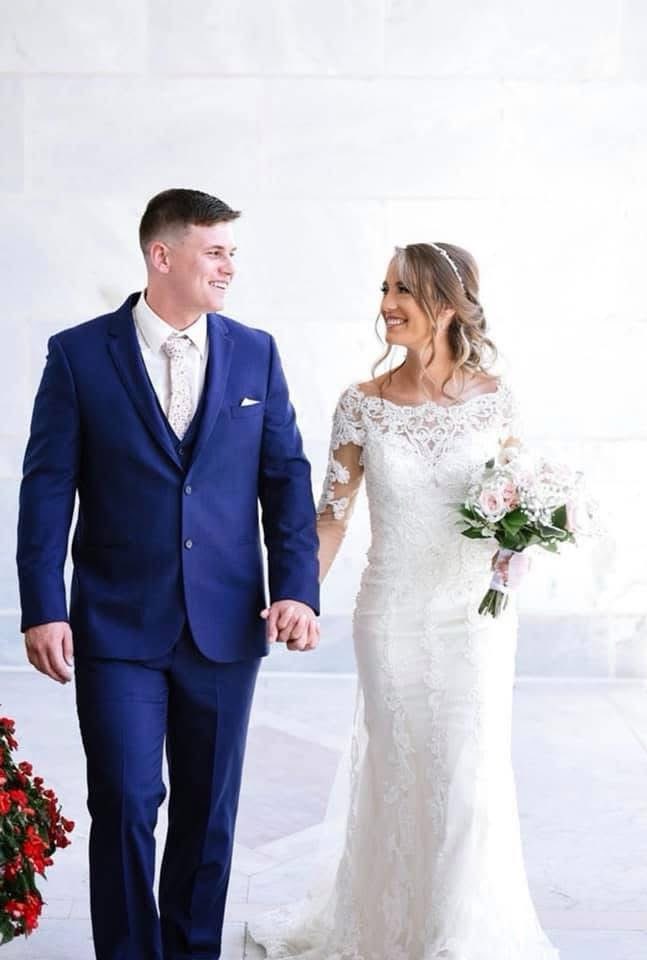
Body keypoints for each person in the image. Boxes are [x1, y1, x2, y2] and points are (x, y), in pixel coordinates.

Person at [16, 188, 320, 960]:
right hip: (116, 623)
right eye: (215, 251)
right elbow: (47, 487)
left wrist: (295, 587)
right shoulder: (80, 354)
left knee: (207, 815)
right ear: (163, 255)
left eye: (230, 253)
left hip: (226, 623)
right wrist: (41, 606)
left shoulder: (256, 352)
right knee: (123, 800)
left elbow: (285, 478)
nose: (229, 267)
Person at [250, 242, 558, 958]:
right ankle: (391, 930)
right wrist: (297, 594)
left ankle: (455, 939)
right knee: (398, 766)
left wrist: (518, 549)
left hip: (474, 620)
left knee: (468, 773)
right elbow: (331, 516)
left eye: (405, 292)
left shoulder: (495, 400)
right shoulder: (362, 406)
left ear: (448, 307)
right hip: (389, 615)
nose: (387, 303)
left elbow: (517, 505)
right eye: (385, 288)